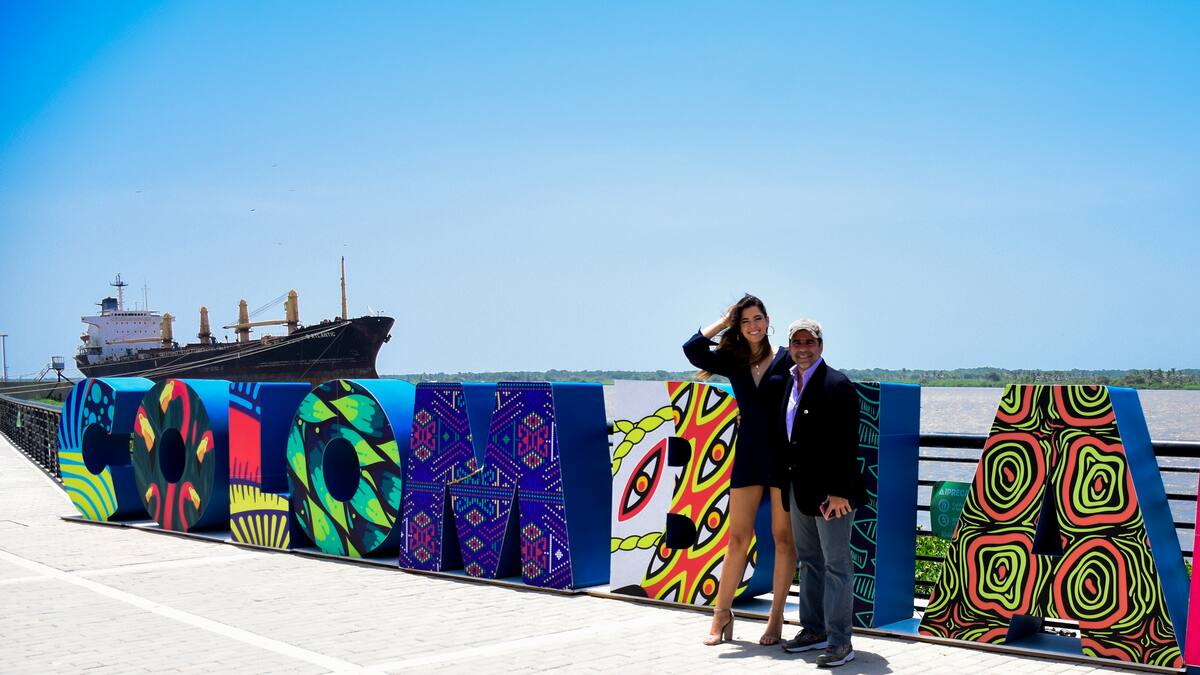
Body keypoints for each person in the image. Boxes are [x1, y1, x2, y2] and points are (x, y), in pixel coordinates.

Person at [683, 294, 796, 646]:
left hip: (782, 456)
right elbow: (693, 348)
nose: (753, 326)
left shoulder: (788, 359)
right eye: (745, 321)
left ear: (768, 320)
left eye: (757, 318)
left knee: (782, 539)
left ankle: (775, 618)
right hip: (748, 454)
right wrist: (725, 321)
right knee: (737, 538)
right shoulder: (734, 359)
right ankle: (721, 615)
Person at [776, 318, 864, 667]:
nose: (803, 348)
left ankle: (841, 641)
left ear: (821, 345)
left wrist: (840, 492)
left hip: (832, 495)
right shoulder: (788, 382)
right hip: (800, 489)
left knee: (836, 565)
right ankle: (814, 630)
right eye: (797, 342)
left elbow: (847, 443)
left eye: (809, 342)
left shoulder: (837, 385)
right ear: (790, 347)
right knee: (810, 562)